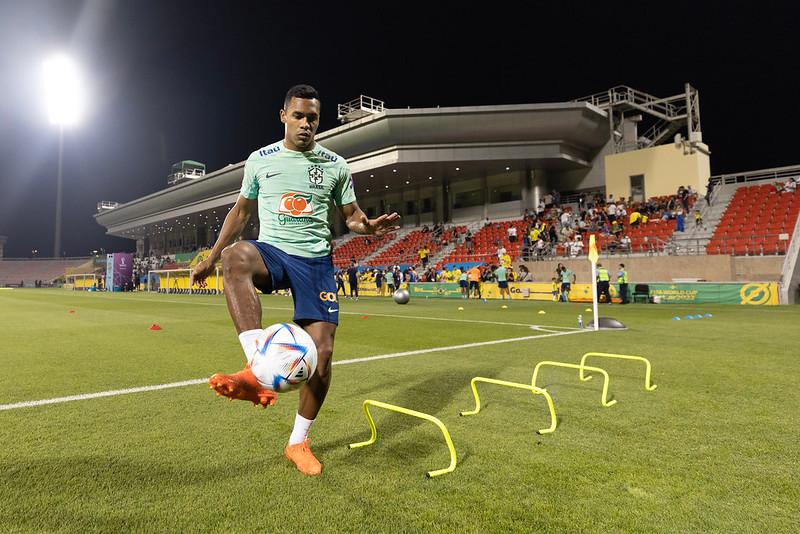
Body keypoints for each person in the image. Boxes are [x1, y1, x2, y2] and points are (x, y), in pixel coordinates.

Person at [190, 84, 400, 476]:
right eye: (299, 116)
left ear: (319, 121)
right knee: (236, 258)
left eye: (313, 118)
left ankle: (298, 443)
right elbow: (239, 214)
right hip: (273, 252)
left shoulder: (335, 165)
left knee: (322, 356)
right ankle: (256, 366)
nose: (306, 124)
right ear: (283, 115)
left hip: (315, 262)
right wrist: (211, 257)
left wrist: (367, 226)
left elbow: (351, 215)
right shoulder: (260, 160)